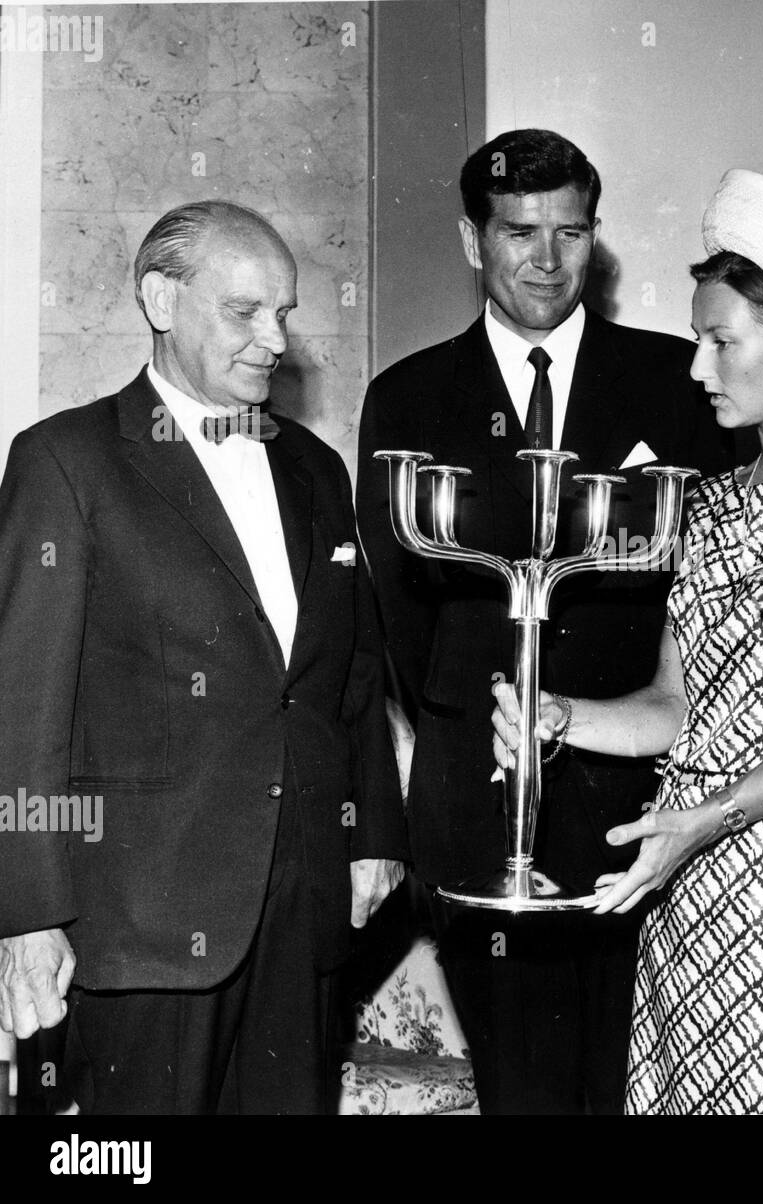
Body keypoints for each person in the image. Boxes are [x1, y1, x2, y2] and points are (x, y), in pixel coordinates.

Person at [492, 169, 763, 1114]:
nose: (696, 367)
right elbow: (678, 708)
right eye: (698, 338)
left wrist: (705, 819)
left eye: (721, 340)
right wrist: (560, 718)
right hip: (691, 879)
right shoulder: (711, 502)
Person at [356, 129, 739, 1114]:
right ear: (470, 238)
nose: (546, 258)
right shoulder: (407, 396)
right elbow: (399, 616)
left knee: (627, 1071)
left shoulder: (676, 381)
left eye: (570, 232)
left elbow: (705, 582)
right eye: (519, 232)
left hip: (634, 786)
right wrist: (470, 710)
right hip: (474, 799)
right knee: (505, 1076)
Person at [0, 201, 408, 1114]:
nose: (275, 338)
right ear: (159, 299)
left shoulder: (315, 468)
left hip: (302, 907)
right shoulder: (67, 460)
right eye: (244, 312)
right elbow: (21, 706)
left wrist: (373, 834)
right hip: (143, 915)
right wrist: (26, 913)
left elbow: (349, 674)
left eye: (284, 314)